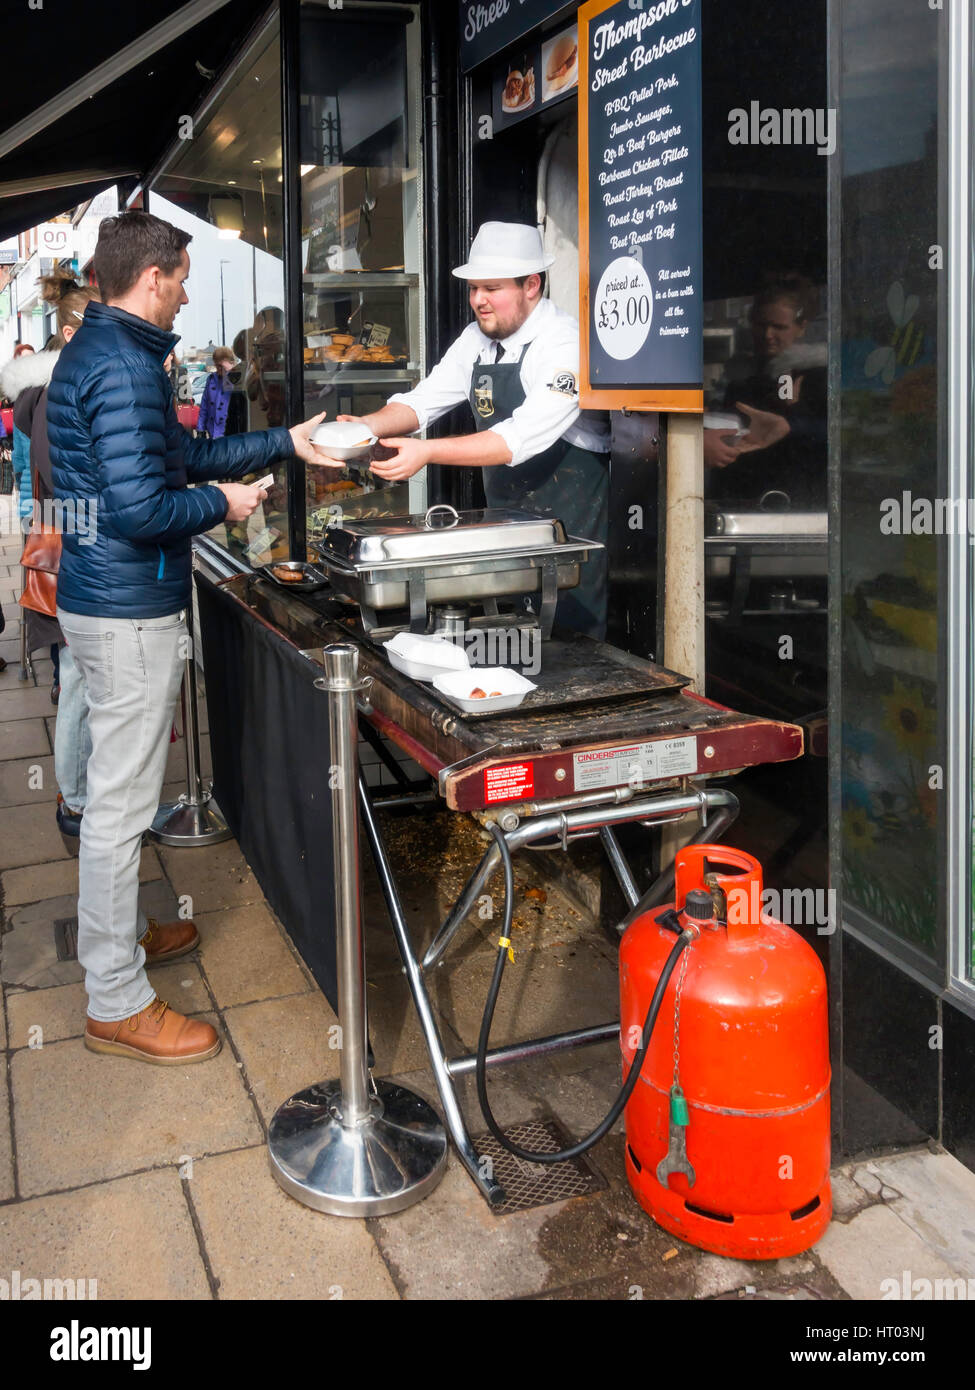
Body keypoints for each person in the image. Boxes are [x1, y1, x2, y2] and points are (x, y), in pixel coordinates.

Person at [48, 210, 333, 1065]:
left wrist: (283, 442)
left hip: (104, 598)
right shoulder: (125, 367)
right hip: (127, 610)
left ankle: (122, 934)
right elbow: (145, 508)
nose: (184, 295)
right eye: (180, 279)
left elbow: (179, 458)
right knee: (121, 805)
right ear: (152, 278)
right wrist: (226, 504)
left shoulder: (106, 352)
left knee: (118, 794)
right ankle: (116, 999)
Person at [318, 222, 612, 638]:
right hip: (511, 538)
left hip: (571, 541)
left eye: (492, 288)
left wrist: (426, 452)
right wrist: (366, 427)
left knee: (570, 646)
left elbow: (517, 438)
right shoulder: (477, 338)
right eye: (474, 288)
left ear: (532, 285)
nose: (478, 300)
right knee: (514, 641)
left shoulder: (563, 344)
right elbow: (422, 401)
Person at [197, 346, 235, 438]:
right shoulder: (211, 379)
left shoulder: (237, 379)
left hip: (230, 432)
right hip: (213, 431)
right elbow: (204, 405)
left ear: (232, 363)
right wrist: (200, 429)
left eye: (222, 366)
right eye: (217, 366)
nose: (219, 369)